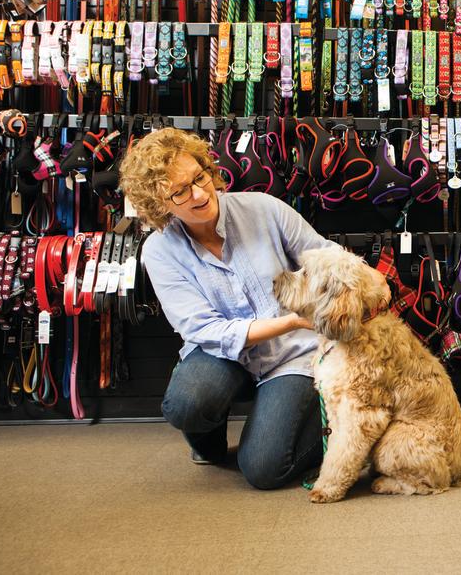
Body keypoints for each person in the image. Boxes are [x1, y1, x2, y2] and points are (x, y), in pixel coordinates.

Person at [120, 127, 333, 490]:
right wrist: (293, 320)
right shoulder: (159, 251)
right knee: (188, 401)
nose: (200, 194)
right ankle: (206, 425)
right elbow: (205, 331)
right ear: (159, 205)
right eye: (180, 191)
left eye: (199, 177)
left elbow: (324, 257)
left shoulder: (263, 208)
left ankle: (323, 427)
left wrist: (357, 282)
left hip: (293, 356)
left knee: (264, 470)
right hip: (223, 353)